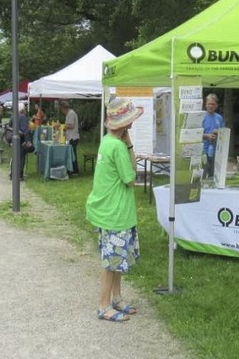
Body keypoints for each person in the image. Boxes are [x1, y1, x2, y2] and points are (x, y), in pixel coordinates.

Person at [86, 97, 143, 322]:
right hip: (116, 213)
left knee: (117, 260)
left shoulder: (107, 141)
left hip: (112, 211)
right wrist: (130, 146)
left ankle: (116, 298)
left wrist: (126, 144)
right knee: (111, 263)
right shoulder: (119, 147)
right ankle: (103, 305)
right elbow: (131, 178)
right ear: (124, 123)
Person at [202, 94, 225, 180]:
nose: (210, 106)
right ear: (205, 104)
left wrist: (218, 132)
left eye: (213, 104)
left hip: (216, 151)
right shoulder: (202, 117)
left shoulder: (219, 118)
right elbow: (195, 134)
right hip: (203, 151)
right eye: (209, 104)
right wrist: (206, 136)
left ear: (216, 106)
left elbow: (224, 133)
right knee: (203, 174)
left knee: (213, 176)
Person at [9, 103, 29, 180]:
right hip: (21, 140)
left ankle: (12, 174)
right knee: (21, 158)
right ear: (23, 109)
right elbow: (25, 130)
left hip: (13, 139)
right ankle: (19, 175)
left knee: (14, 157)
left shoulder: (13, 116)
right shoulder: (23, 117)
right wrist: (27, 141)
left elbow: (9, 126)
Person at [60, 100, 80, 175]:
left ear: (64, 108)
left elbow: (71, 125)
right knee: (71, 154)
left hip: (73, 137)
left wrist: (62, 126)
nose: (62, 111)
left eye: (61, 109)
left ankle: (75, 170)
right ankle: (71, 169)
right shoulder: (69, 113)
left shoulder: (71, 114)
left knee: (72, 154)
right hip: (71, 137)